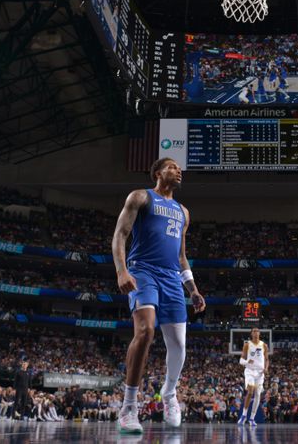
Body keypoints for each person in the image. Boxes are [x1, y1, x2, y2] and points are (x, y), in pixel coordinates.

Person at [113, 157, 206, 433]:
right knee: (145, 331)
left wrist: (193, 289)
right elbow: (120, 235)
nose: (178, 171)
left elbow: (181, 256)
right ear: (157, 173)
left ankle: (169, 393)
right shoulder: (141, 197)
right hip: (143, 271)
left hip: (171, 278)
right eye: (172, 167)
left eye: (179, 169)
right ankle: (129, 407)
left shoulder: (184, 212)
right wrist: (122, 271)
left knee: (179, 344)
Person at [237, 327, 269, 426]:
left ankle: (251, 418)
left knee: (258, 395)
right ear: (251, 334)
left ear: (259, 333)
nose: (256, 332)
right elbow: (241, 360)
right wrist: (247, 361)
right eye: (254, 331)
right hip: (250, 371)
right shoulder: (247, 344)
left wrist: (266, 368)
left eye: (257, 331)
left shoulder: (264, 345)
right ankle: (244, 415)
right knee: (250, 392)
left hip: (260, 373)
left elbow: (267, 359)